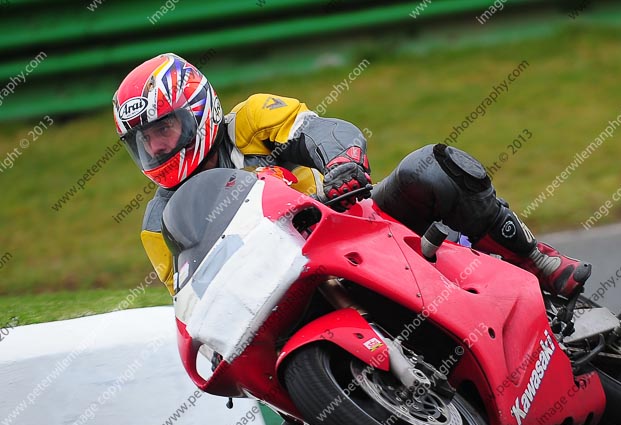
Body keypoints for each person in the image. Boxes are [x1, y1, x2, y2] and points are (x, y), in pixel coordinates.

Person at [113, 53, 590, 298]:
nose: (157, 146)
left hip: (356, 223)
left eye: (165, 128)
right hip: (284, 288)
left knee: (429, 167)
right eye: (144, 140)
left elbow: (320, 130)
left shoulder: (250, 122)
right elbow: (193, 297)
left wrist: (342, 163)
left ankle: (533, 258)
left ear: (197, 111)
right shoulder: (158, 225)